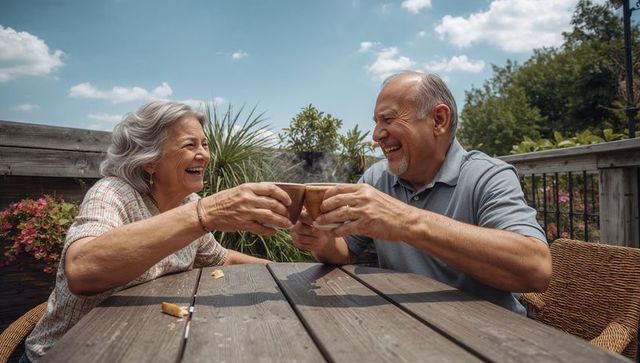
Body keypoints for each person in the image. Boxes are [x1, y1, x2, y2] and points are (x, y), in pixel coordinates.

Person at [23, 100, 293, 362]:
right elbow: (83, 271)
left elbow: (224, 259)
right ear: (149, 160)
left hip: (139, 347)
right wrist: (206, 214)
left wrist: (288, 279)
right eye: (190, 145)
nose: (204, 154)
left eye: (205, 144)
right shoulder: (113, 193)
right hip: (66, 353)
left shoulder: (187, 203)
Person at [292, 71, 552, 315]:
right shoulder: (376, 178)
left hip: (493, 339)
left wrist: (404, 221)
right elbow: (346, 251)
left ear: (438, 120)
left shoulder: (488, 176)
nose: (376, 135)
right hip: (405, 327)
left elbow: (536, 269)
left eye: (388, 119)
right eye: (376, 122)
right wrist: (322, 241)